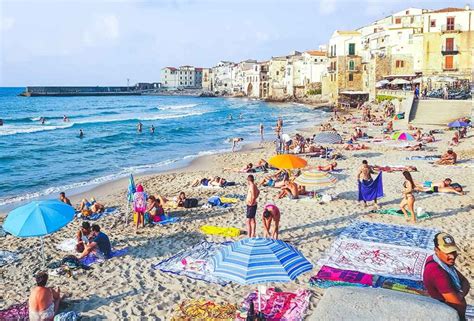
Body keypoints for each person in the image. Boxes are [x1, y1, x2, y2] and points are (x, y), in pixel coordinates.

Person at [423, 233, 470, 320]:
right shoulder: (437, 272)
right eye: (447, 253)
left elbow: (465, 281)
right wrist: (461, 296)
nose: (452, 256)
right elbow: (458, 304)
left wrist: (460, 294)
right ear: (436, 250)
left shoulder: (440, 261)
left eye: (453, 252)